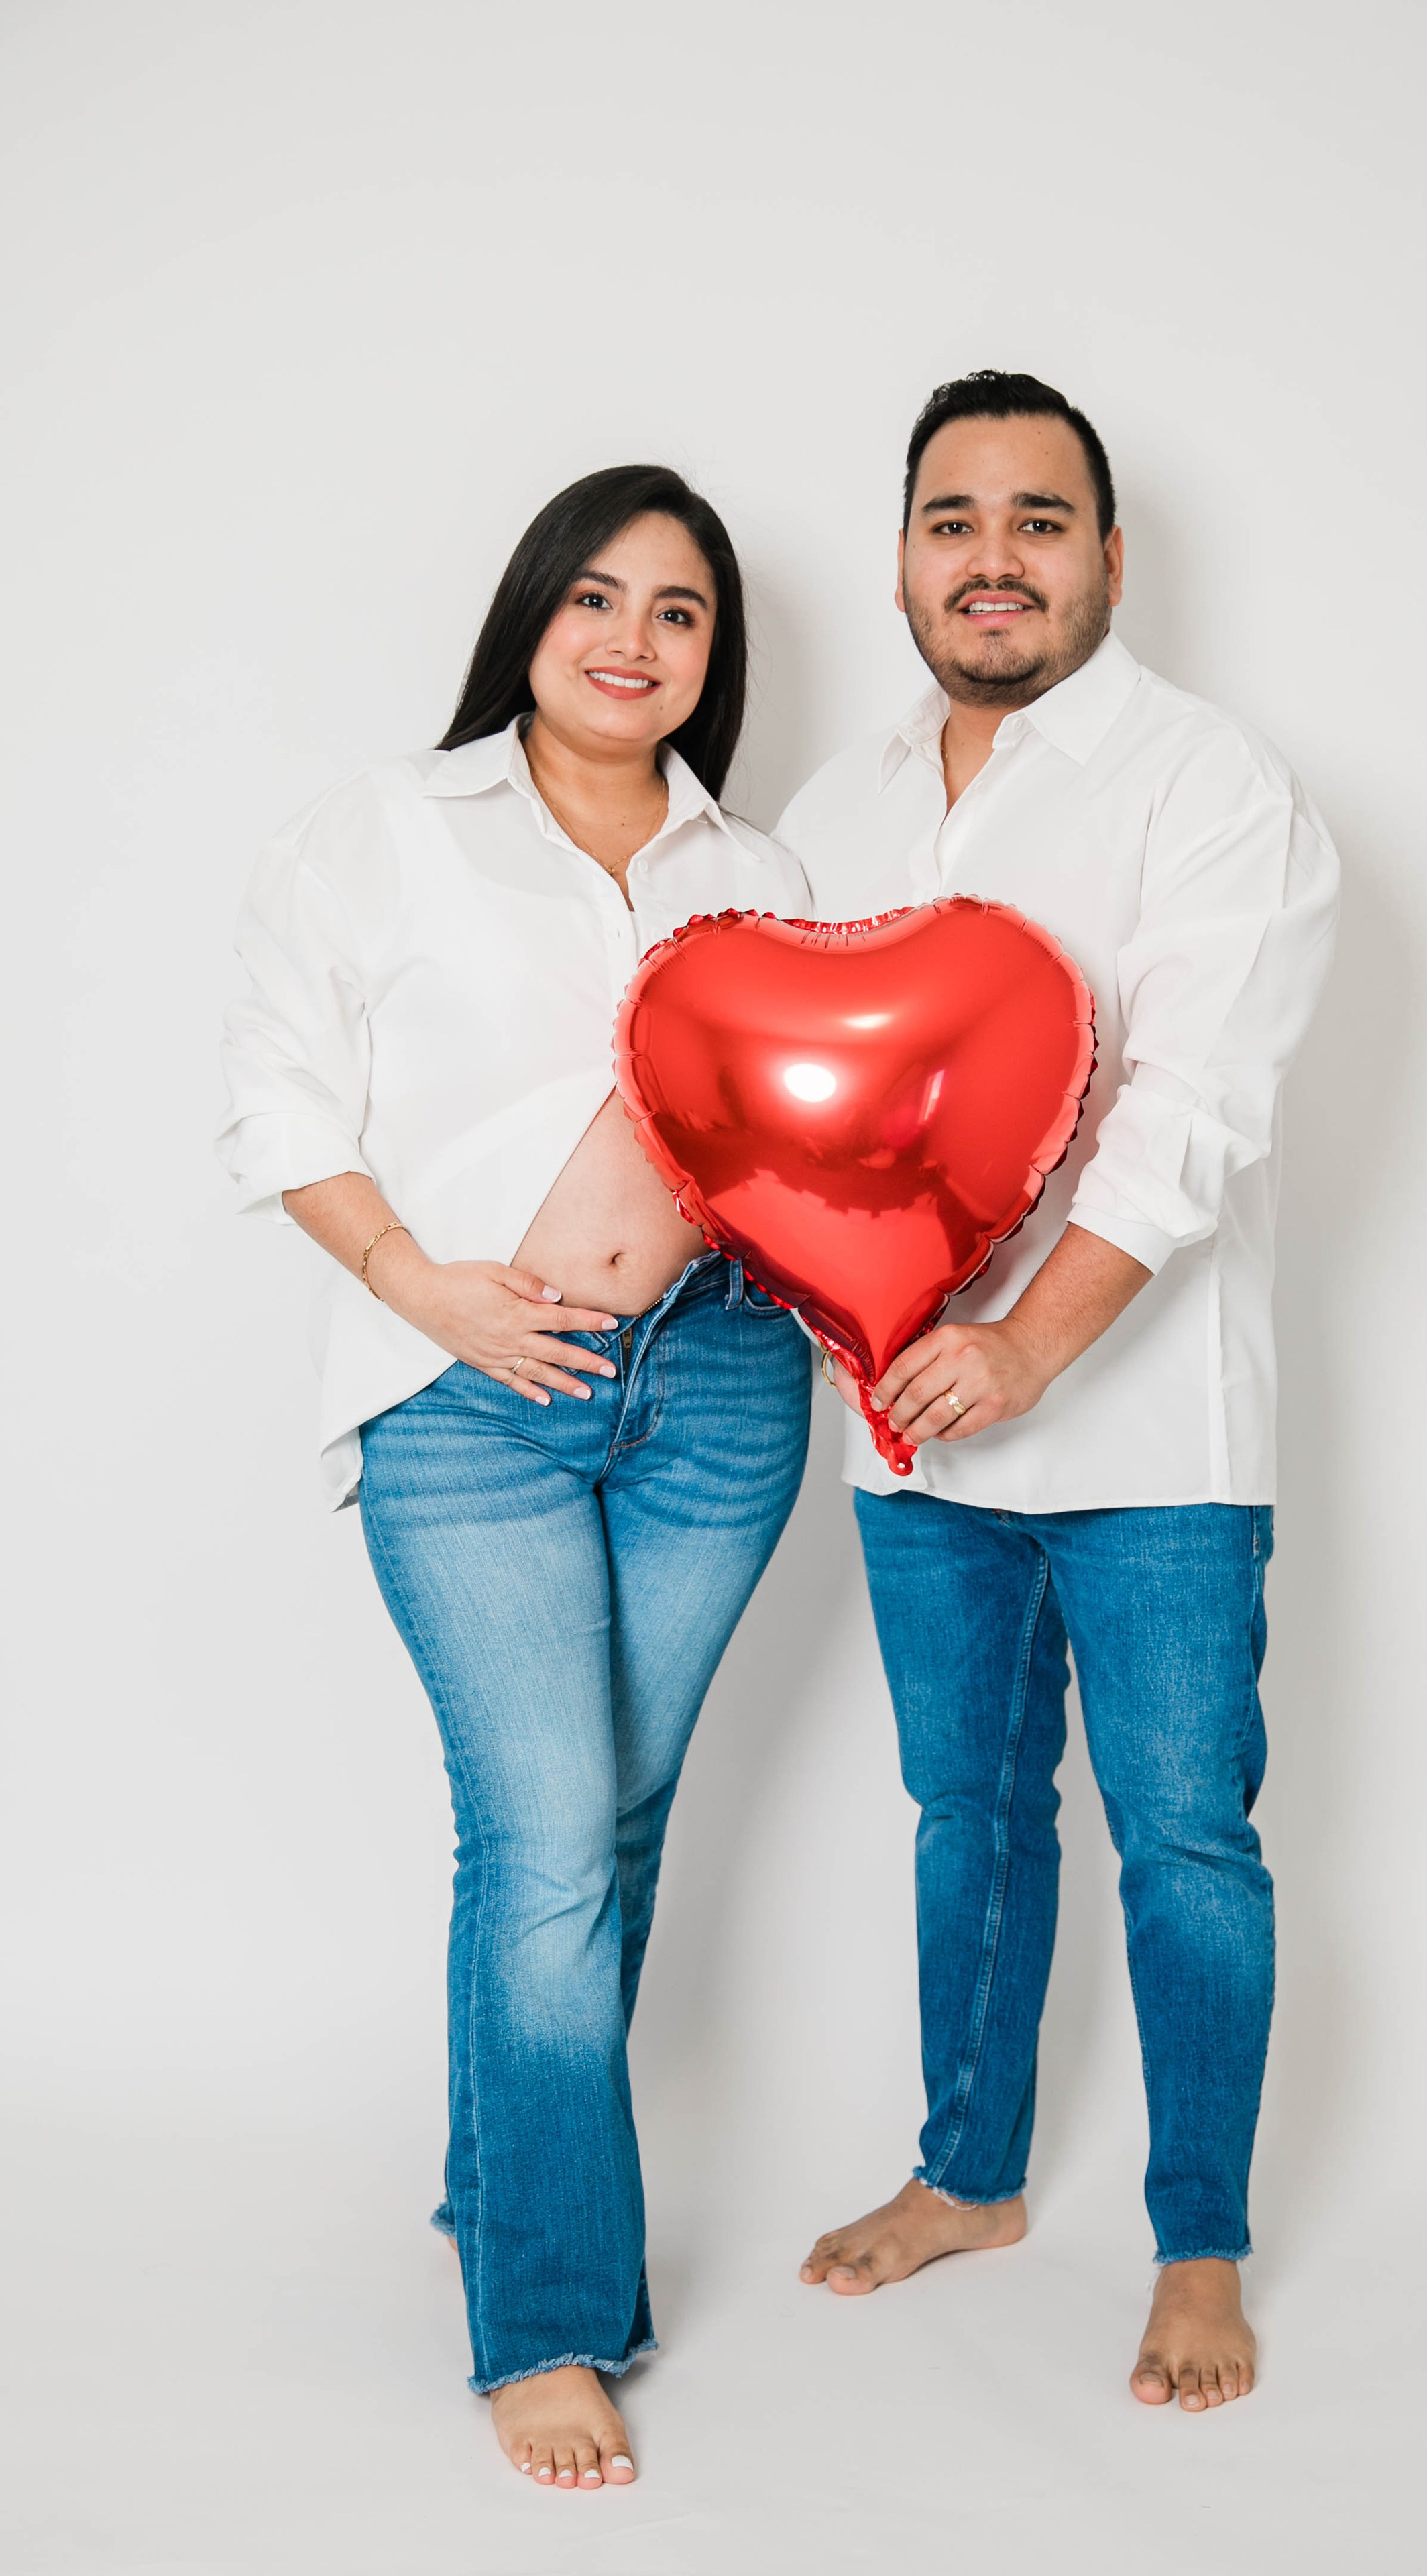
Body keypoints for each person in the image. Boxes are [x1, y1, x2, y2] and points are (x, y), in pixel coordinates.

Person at [217, 467, 813, 2488]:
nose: (633, 640)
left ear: (716, 655)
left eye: (680, 612)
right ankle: (549, 2316)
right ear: (529, 616)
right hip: (468, 1392)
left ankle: (502, 2196)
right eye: (595, 595)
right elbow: (281, 1100)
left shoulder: (771, 869)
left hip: (720, 1387)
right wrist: (425, 1288)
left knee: (606, 1830)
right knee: (552, 1831)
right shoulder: (384, 831)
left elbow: (811, 1138)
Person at [777, 372, 1339, 2410]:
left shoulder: (1210, 783)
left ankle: (1200, 2239)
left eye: (1038, 518)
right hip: (910, 1423)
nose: (991, 556)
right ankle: (974, 2173)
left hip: (1149, 1429)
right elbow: (781, 1107)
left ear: (1112, 554)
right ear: (905, 553)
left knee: (1187, 1834)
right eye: (952, 518)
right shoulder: (835, 809)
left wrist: (1028, 1337)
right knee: (970, 1814)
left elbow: (1192, 1115)